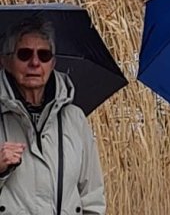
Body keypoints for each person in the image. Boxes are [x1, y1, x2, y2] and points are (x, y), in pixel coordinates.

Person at [0, 18, 105, 214]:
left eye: (44, 55)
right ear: (6, 61)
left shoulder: (75, 119)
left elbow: (92, 197)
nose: (35, 62)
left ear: (53, 63)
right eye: (24, 54)